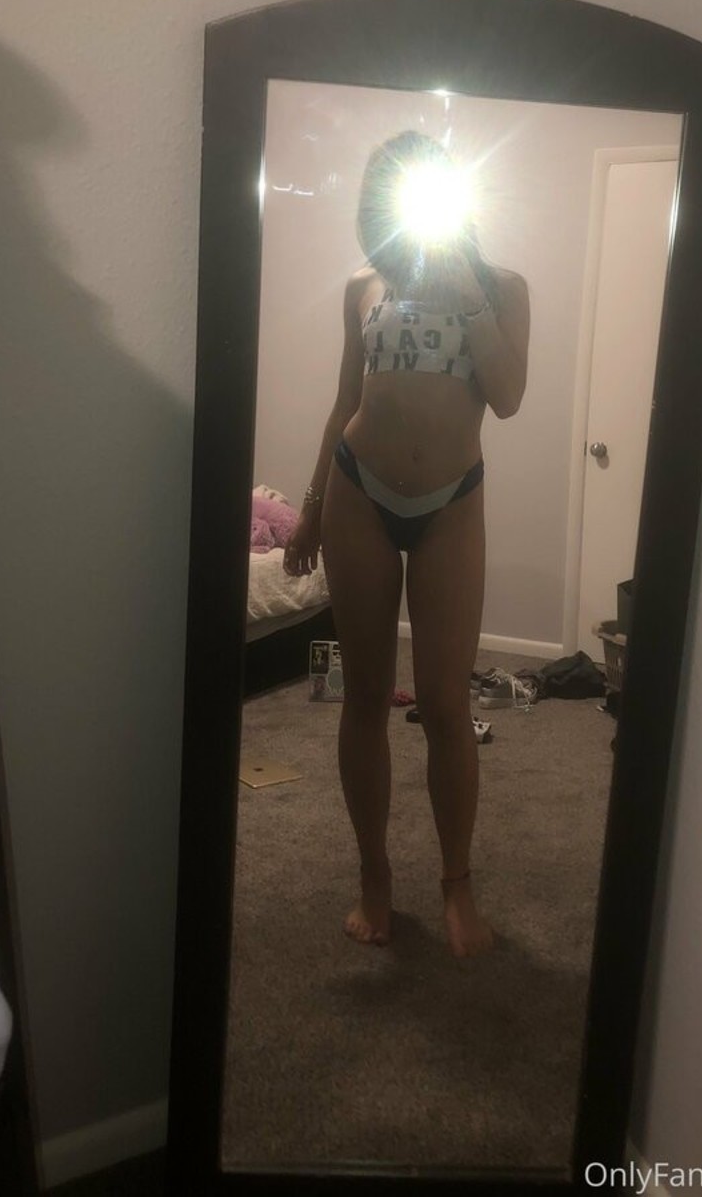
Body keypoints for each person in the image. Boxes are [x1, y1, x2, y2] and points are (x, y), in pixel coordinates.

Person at [284, 131, 530, 958]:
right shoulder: (364, 285)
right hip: (357, 492)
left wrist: (466, 293)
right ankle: (375, 875)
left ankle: (457, 884)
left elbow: (508, 397)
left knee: (446, 703)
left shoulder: (503, 287)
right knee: (364, 696)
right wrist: (310, 506)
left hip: (451, 504)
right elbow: (343, 402)